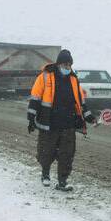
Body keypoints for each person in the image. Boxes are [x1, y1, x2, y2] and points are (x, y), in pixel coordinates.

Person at [27, 48, 95, 191]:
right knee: (46, 151)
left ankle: (62, 181)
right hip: (49, 123)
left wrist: (89, 116)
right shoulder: (45, 76)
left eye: (69, 65)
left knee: (67, 154)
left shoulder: (74, 80)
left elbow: (80, 101)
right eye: (65, 64)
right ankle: (45, 175)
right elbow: (35, 98)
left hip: (68, 124)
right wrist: (31, 118)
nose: (67, 67)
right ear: (58, 64)